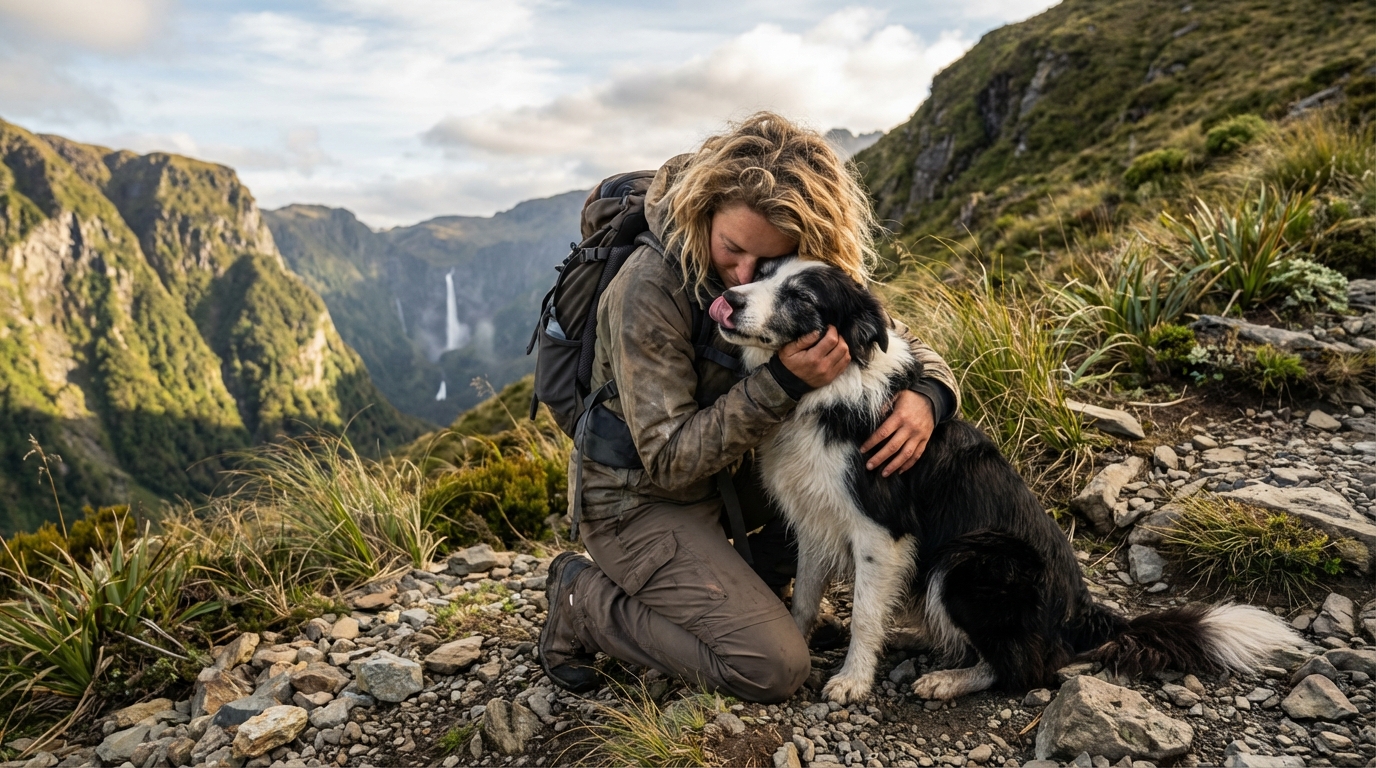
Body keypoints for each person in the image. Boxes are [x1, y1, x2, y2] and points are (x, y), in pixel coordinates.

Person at [537, 112, 960, 703]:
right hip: (640, 500)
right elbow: (669, 459)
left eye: (764, 266)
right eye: (732, 249)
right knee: (772, 667)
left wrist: (929, 396)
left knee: (856, 497)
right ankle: (584, 601)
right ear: (705, 209)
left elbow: (893, 338)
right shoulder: (648, 289)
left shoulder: (789, 263)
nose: (741, 276)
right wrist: (783, 382)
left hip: (742, 485)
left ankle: (743, 583)